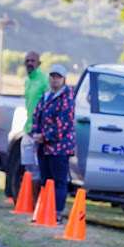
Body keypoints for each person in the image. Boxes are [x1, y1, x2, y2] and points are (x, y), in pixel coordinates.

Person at [31, 63, 75, 225]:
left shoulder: (67, 98)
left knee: (59, 182)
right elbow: (36, 116)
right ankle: (43, 212)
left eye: (58, 77)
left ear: (64, 79)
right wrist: (34, 133)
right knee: (45, 181)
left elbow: (64, 125)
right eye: (52, 76)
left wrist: (45, 136)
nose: (55, 80)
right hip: (43, 147)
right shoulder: (45, 96)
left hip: (59, 148)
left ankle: (57, 215)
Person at [21, 51, 48, 203]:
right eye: (27, 61)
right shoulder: (27, 81)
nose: (29, 63)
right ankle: (29, 203)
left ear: (39, 62)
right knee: (28, 168)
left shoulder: (44, 79)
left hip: (39, 131)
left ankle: (38, 203)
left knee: (39, 170)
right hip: (27, 129)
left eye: (32, 60)